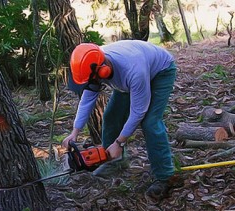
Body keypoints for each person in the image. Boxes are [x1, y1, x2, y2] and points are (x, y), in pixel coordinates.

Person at [62, 40, 178, 201]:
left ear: (104, 71)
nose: (94, 85)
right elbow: (87, 99)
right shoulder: (93, 63)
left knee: (150, 123)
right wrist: (75, 132)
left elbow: (138, 111)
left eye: (94, 80)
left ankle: (165, 176)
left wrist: (119, 142)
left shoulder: (133, 70)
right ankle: (115, 162)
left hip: (160, 71)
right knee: (111, 117)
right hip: (128, 81)